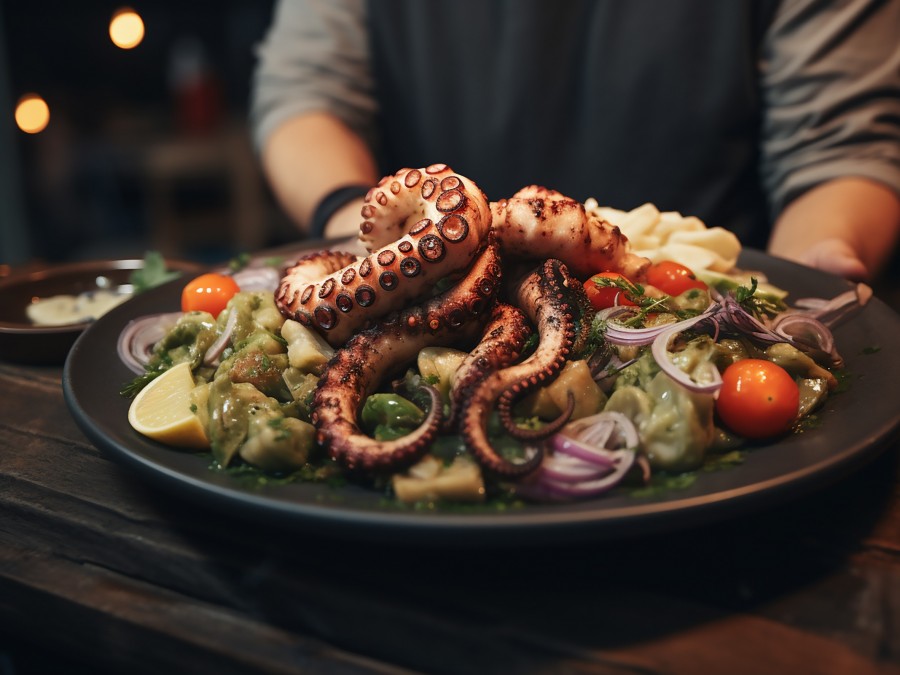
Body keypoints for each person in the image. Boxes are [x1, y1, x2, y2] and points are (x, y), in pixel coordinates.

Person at [250, 0, 900, 281]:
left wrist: (804, 274)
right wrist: (361, 231)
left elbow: (840, 144)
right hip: (433, 277)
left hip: (685, 300)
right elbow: (307, 94)